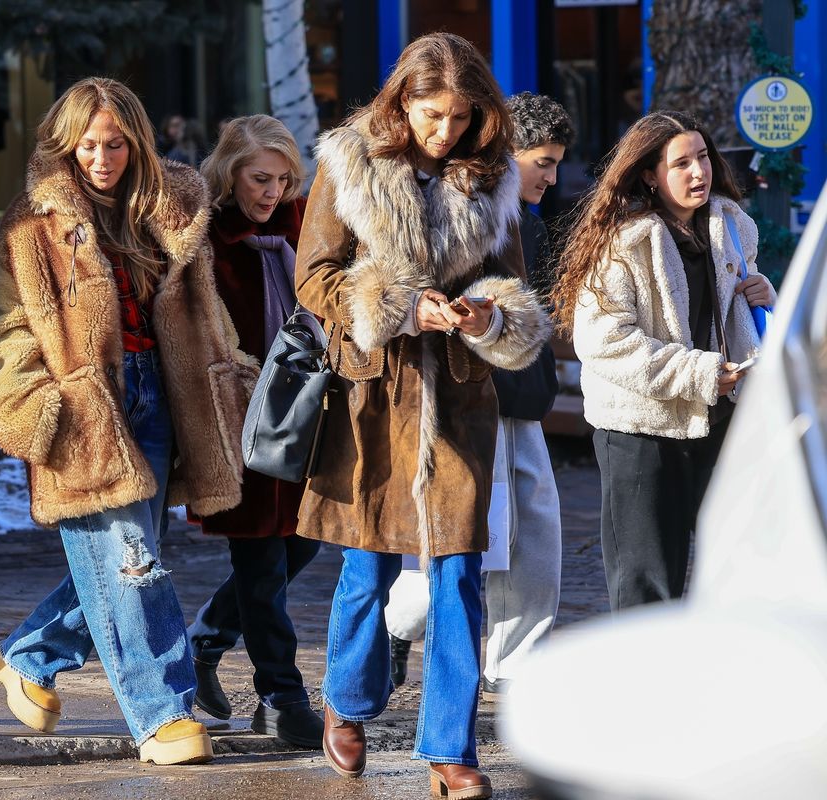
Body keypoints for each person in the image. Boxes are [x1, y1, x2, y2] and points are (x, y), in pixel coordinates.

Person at [295, 33, 550, 796]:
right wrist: (400, 306)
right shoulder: (348, 163)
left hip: (461, 400)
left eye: (461, 116)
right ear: (402, 100)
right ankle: (349, 699)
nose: (445, 131)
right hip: (375, 396)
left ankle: (450, 750)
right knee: (366, 569)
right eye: (432, 113)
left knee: (459, 576)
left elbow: (517, 293)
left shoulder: (495, 179)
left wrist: (485, 318)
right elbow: (314, 277)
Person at [0, 77, 258, 766]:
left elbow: (205, 311)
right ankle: (163, 711)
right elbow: (9, 328)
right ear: (65, 146)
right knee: (133, 563)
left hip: (161, 397)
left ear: (136, 143)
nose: (102, 158)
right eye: (88, 146)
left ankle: (30, 655)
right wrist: (42, 403)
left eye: (116, 144)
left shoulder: (170, 209)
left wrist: (231, 373)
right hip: (85, 406)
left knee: (132, 557)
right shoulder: (31, 222)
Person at [384, 93, 575, 701]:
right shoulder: (463, 208)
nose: (551, 175)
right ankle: (396, 623)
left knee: (536, 540)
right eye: (541, 161)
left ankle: (516, 667)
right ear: (507, 152)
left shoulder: (534, 220)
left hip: (525, 398)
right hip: (471, 399)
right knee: (472, 540)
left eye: (555, 163)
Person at [552, 110, 774, 611]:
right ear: (650, 175)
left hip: (720, 420)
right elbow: (604, 341)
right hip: (641, 431)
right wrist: (699, 373)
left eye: (703, 158)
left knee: (737, 564)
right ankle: (643, 687)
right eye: (681, 164)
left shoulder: (732, 227)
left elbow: (735, 313)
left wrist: (761, 293)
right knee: (647, 580)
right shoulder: (623, 241)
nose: (699, 172)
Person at [183, 115, 323, 748]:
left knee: (303, 545)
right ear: (230, 172)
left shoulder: (305, 227)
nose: (272, 192)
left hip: (304, 415)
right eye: (259, 178)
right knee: (261, 559)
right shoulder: (206, 238)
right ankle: (282, 696)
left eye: (284, 179)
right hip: (237, 424)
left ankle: (206, 643)